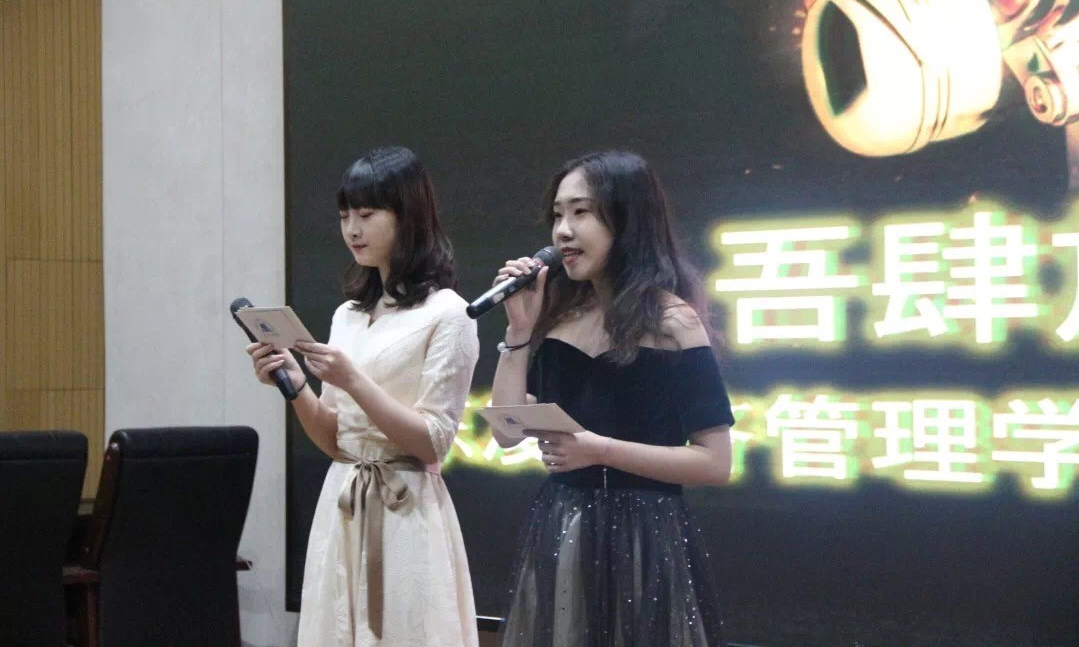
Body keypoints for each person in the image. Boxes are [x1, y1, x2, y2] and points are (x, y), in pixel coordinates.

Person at [490, 150, 734, 646]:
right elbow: (506, 432)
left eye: (581, 212)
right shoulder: (557, 320)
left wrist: (598, 450)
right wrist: (518, 332)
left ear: (626, 219)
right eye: (558, 214)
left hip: (647, 534)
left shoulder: (674, 322)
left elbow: (715, 462)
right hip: (563, 525)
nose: (563, 231)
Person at [246, 146, 479, 647]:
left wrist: (354, 381)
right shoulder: (348, 315)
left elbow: (434, 442)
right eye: (345, 216)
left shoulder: (449, 314)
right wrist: (296, 385)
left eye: (367, 214)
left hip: (406, 509)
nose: (352, 229)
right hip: (343, 503)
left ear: (408, 215)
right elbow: (335, 441)